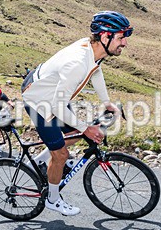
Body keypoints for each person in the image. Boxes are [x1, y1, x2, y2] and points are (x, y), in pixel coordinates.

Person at [21, 11, 130, 216]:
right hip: (40, 101)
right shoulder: (77, 63)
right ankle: (53, 199)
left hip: (52, 92)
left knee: (74, 134)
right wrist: (87, 128)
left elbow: (95, 72)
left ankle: (40, 161)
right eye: (121, 37)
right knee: (61, 153)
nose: (124, 43)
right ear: (105, 36)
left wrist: (106, 103)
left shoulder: (93, 52)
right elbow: (56, 108)